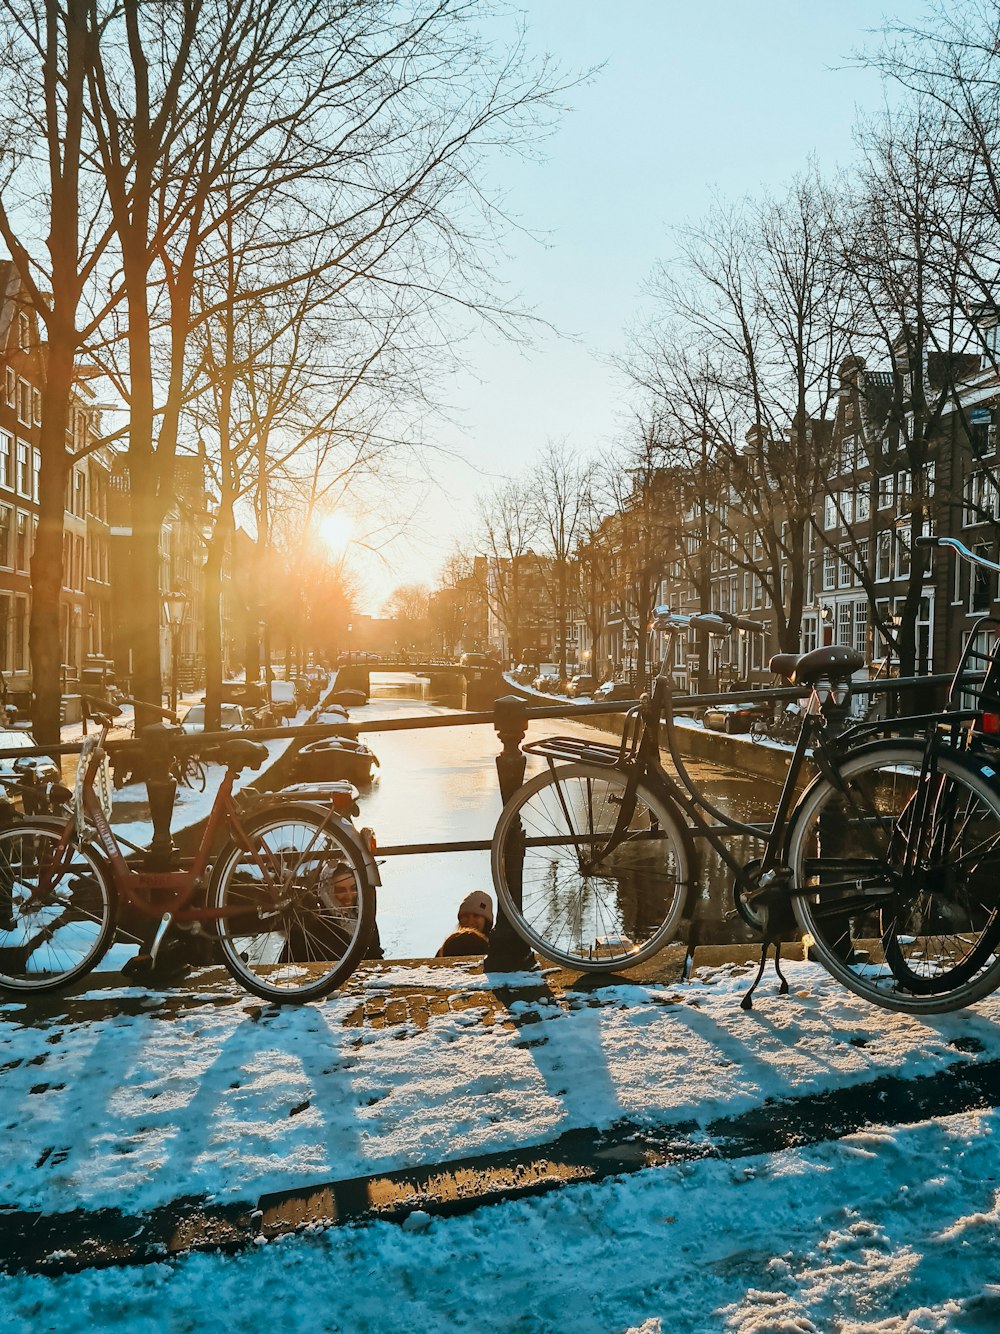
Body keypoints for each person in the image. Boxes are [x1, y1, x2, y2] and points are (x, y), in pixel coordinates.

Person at [436, 890, 494, 958]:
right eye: (465, 916)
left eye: (476, 916)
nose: (470, 921)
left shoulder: (497, 948)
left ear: (486, 921)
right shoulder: (446, 949)